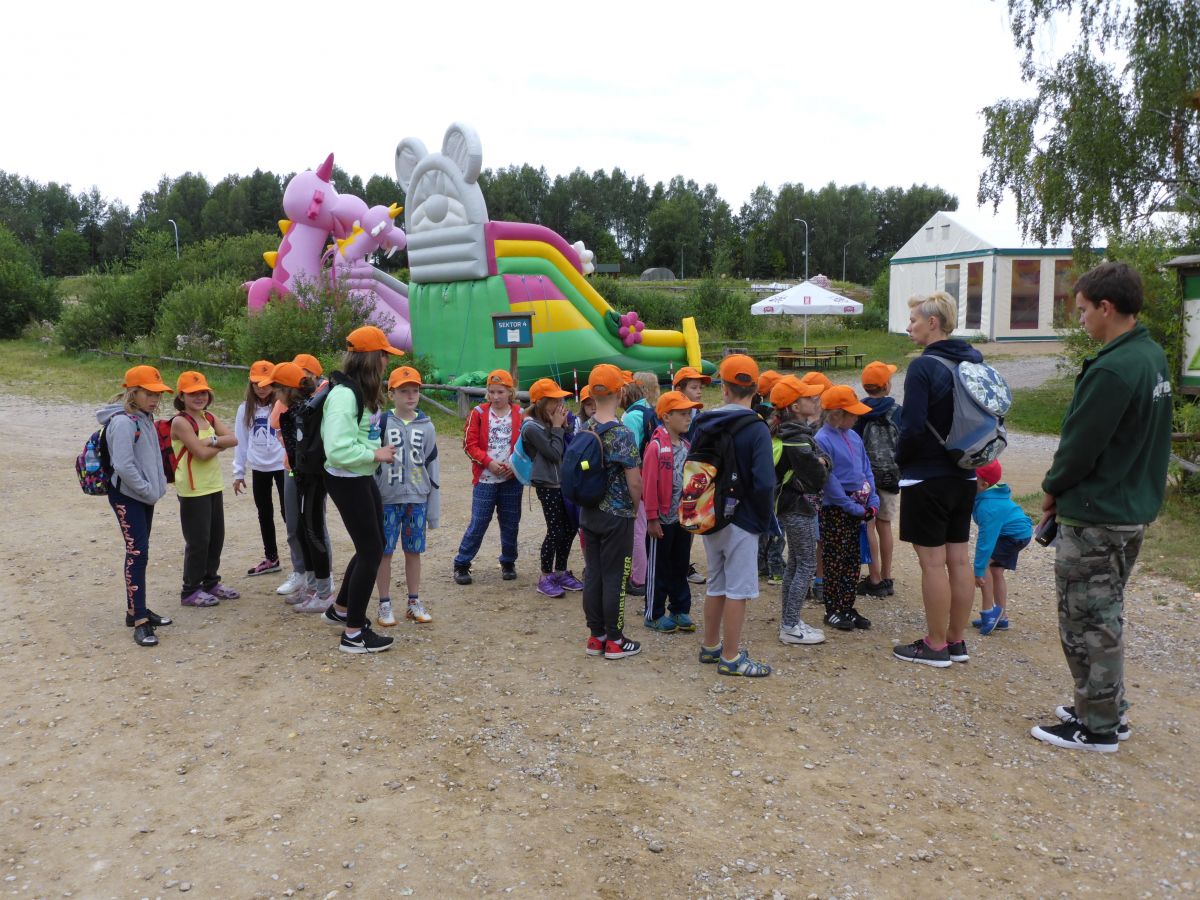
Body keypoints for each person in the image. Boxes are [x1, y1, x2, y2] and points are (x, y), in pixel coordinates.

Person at [1031, 261, 1172, 753]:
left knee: (1087, 620)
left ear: (1106, 307)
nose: (1081, 319)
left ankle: (1097, 727)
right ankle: (1105, 706)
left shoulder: (1113, 368)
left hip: (1097, 512)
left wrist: (1052, 488)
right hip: (1129, 507)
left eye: (1084, 310)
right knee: (1104, 613)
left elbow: (1080, 447)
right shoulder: (1150, 355)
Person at [891, 292, 984, 668]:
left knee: (932, 563)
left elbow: (912, 426)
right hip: (965, 472)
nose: (908, 326)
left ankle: (934, 645)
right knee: (958, 559)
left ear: (933, 323)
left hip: (927, 475)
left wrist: (900, 460)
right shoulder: (973, 360)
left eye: (913, 320)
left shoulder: (923, 366)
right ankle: (956, 641)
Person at [321, 325, 401, 654]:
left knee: (374, 544)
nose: (387, 361)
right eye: (384, 355)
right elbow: (336, 449)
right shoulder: (344, 395)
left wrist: (372, 454)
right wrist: (375, 454)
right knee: (371, 551)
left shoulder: (357, 391)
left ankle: (341, 609)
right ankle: (353, 634)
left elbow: (354, 438)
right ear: (371, 358)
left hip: (359, 475)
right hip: (347, 477)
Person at [695, 354, 776, 677]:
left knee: (716, 582)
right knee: (739, 590)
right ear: (755, 390)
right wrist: (763, 519)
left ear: (724, 389)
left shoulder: (704, 422)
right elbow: (765, 482)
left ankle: (710, 645)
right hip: (743, 518)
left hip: (710, 514)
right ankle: (731, 658)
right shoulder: (756, 428)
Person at [98, 366, 174, 646]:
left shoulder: (144, 417)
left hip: (143, 496)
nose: (155, 399)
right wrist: (146, 489)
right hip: (128, 496)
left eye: (158, 394)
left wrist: (153, 488)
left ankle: (135, 610)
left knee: (141, 551)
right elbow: (123, 465)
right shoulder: (122, 423)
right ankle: (140, 621)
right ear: (133, 392)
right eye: (149, 393)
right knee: (137, 553)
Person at [579, 364, 643, 660]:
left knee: (593, 573)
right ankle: (615, 641)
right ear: (620, 393)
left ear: (591, 394)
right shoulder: (622, 434)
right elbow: (634, 481)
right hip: (617, 516)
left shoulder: (583, 428)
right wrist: (635, 507)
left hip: (589, 512)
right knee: (615, 576)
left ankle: (596, 637)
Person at [264, 362, 335, 613]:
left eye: (276, 389)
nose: (274, 395)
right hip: (302, 475)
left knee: (313, 532)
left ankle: (323, 592)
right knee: (303, 531)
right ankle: (313, 586)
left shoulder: (307, 411)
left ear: (287, 389)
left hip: (312, 477)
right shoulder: (297, 411)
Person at [374, 365, 440, 627]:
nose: (410, 396)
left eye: (414, 390)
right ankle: (384, 603)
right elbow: (371, 462)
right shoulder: (380, 423)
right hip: (386, 499)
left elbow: (432, 467)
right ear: (391, 394)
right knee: (384, 552)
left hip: (417, 499)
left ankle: (414, 602)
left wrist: (433, 512)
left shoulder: (427, 426)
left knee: (413, 551)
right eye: (403, 391)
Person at [769, 375, 830, 646]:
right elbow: (818, 475)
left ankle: (790, 620)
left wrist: (822, 460)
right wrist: (823, 462)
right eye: (808, 398)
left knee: (795, 563)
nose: (815, 400)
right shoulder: (796, 439)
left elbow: (822, 462)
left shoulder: (792, 433)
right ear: (794, 407)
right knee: (805, 563)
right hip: (798, 507)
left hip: (793, 506)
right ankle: (790, 626)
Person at [171, 371, 239, 607]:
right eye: (193, 393)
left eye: (203, 392)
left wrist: (211, 441)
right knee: (198, 541)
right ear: (181, 396)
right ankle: (190, 589)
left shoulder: (208, 417)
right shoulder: (180, 421)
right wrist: (219, 444)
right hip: (192, 489)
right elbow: (199, 454)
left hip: (212, 485)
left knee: (216, 538)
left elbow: (233, 439)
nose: (199, 397)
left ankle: (211, 582)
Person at [814, 386, 878, 632]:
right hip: (836, 508)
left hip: (858, 505)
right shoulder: (822, 439)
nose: (856, 418)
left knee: (852, 560)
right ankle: (833, 609)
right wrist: (849, 505)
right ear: (836, 414)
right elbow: (829, 480)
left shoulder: (854, 436)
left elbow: (866, 468)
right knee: (835, 559)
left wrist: (872, 499)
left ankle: (847, 605)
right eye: (852, 414)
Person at [454, 369, 523, 585]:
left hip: (511, 479)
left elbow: (527, 445)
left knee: (511, 523)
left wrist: (515, 465)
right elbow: (469, 444)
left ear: (510, 392)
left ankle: (508, 562)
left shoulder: (520, 414)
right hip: (485, 479)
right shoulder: (479, 413)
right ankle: (462, 563)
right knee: (479, 522)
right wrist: (488, 462)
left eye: (500, 392)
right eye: (492, 392)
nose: (496, 396)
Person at [642, 390, 702, 633]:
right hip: (662, 521)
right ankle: (654, 613)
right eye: (683, 413)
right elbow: (649, 484)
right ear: (666, 417)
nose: (689, 418)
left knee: (680, 564)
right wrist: (652, 518)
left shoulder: (687, 446)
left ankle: (679, 609)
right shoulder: (656, 447)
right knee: (659, 567)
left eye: (690, 413)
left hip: (682, 519)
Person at [521, 377, 582, 599]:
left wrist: (563, 427)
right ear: (541, 403)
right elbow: (554, 454)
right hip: (547, 484)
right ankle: (545, 576)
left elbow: (567, 447)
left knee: (570, 527)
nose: (559, 404)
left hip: (562, 482)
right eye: (554, 400)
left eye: (560, 400)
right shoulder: (531, 427)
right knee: (555, 530)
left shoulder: (549, 422)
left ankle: (561, 572)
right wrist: (557, 427)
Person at [233, 360, 287, 578]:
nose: (261, 388)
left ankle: (302, 558)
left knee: (288, 512)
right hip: (259, 467)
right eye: (256, 383)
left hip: (282, 465)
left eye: (266, 383)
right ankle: (271, 557)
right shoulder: (245, 409)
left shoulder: (282, 405)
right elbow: (241, 440)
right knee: (264, 513)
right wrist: (239, 472)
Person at [854, 361, 902, 598]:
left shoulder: (858, 411)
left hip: (866, 478)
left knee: (869, 525)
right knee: (885, 525)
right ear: (887, 386)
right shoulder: (898, 411)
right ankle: (887, 575)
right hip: (891, 476)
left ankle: (874, 578)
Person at [970, 460, 1032, 635]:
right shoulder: (987, 496)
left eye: (971, 478)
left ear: (984, 485)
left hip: (1013, 536)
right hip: (1018, 533)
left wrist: (978, 569)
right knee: (996, 571)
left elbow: (985, 543)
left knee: (986, 566)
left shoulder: (989, 507)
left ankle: (989, 613)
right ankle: (1002, 617)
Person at [621, 372, 660, 597]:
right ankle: (646, 572)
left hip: (638, 477)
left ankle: (638, 579)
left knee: (637, 529)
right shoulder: (649, 410)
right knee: (645, 527)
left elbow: (630, 453)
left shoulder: (630, 416)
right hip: (652, 475)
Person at [672, 366, 711, 584]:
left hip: (693, 480)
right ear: (679, 390)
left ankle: (683, 565)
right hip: (673, 480)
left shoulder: (702, 418)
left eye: (700, 387)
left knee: (689, 522)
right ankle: (670, 565)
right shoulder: (668, 417)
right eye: (694, 387)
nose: (699, 391)